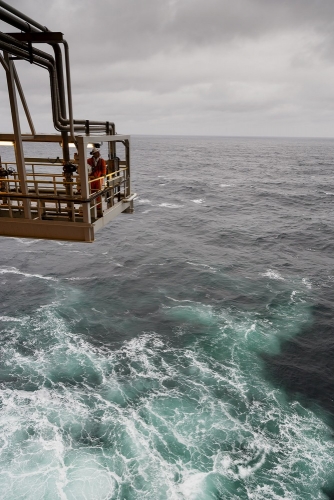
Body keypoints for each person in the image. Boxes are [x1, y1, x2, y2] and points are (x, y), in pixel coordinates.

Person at [87, 147, 106, 213]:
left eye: (98, 153)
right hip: (91, 178)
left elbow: (103, 168)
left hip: (98, 178)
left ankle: (98, 206)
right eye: (96, 153)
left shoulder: (102, 161)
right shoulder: (89, 160)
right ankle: (91, 204)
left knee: (98, 192)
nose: (98, 154)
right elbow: (87, 168)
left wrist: (103, 174)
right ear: (93, 154)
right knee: (91, 191)